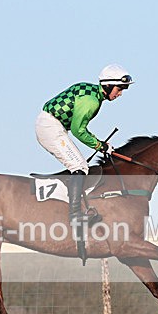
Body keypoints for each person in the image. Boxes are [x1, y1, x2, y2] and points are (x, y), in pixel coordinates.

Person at [35, 64, 134, 262]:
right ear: (108, 86)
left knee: (79, 165)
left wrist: (100, 145)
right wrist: (100, 146)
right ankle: (74, 215)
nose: (121, 93)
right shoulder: (92, 101)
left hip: (53, 125)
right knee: (79, 166)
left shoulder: (91, 92)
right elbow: (79, 130)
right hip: (50, 127)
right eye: (120, 89)